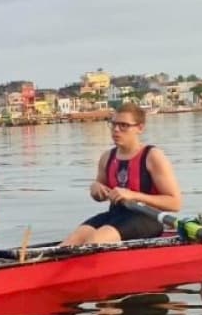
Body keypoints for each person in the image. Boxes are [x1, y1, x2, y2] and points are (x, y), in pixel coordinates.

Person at [61, 102, 182, 245]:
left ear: (140, 128)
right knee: (71, 242)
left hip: (147, 218)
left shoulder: (153, 156)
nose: (116, 130)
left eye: (123, 125)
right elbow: (99, 194)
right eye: (113, 124)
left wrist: (133, 195)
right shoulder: (107, 157)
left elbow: (175, 203)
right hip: (115, 216)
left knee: (95, 241)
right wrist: (95, 188)